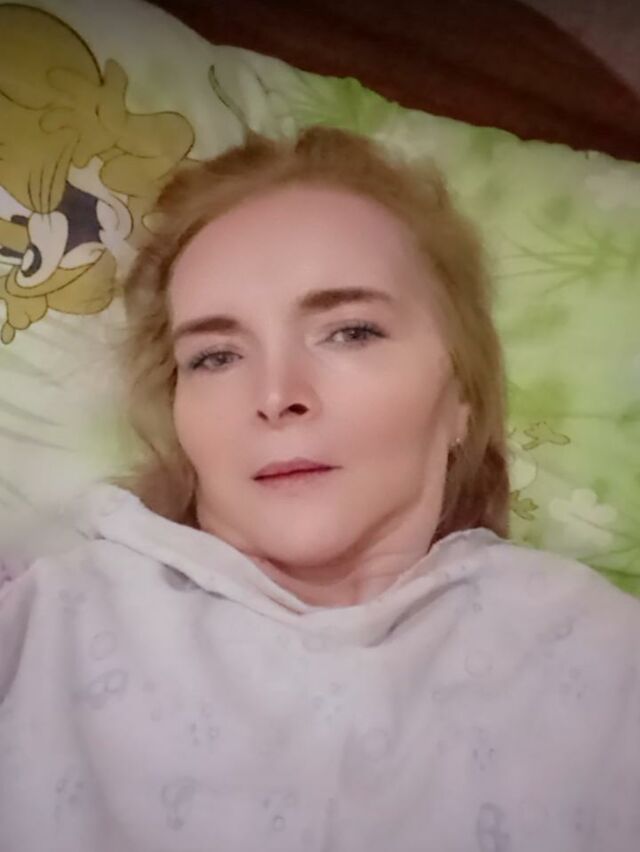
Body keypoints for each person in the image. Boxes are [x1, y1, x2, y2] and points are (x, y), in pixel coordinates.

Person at [1, 126, 638, 852]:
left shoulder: (604, 660)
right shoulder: (45, 628)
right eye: (215, 356)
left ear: (461, 393)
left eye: (351, 332)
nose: (277, 395)